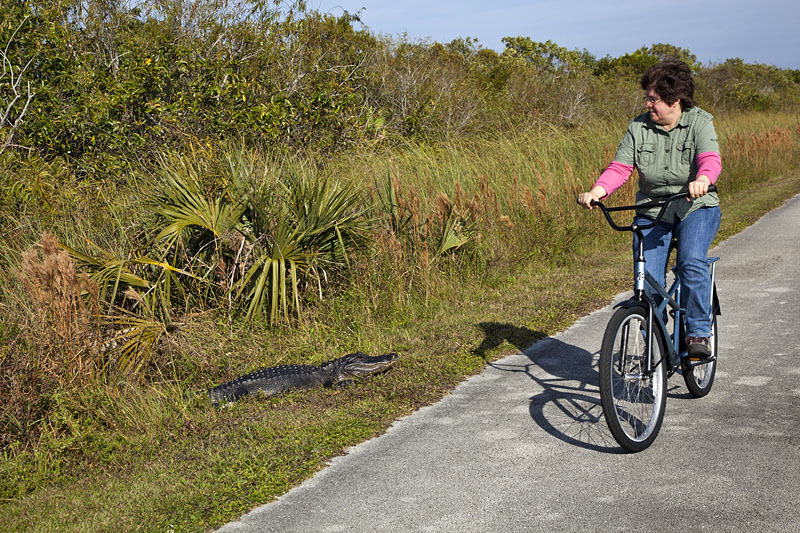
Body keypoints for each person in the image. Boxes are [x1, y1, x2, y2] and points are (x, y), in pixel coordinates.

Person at [577, 60, 721, 360]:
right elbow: (620, 167)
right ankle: (657, 344)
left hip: (695, 206)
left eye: (653, 99)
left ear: (674, 100)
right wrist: (596, 191)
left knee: (692, 262)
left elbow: (710, 158)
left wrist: (703, 179)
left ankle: (698, 333)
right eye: (648, 98)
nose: (647, 104)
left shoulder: (700, 122)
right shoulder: (638, 127)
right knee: (647, 282)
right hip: (653, 210)